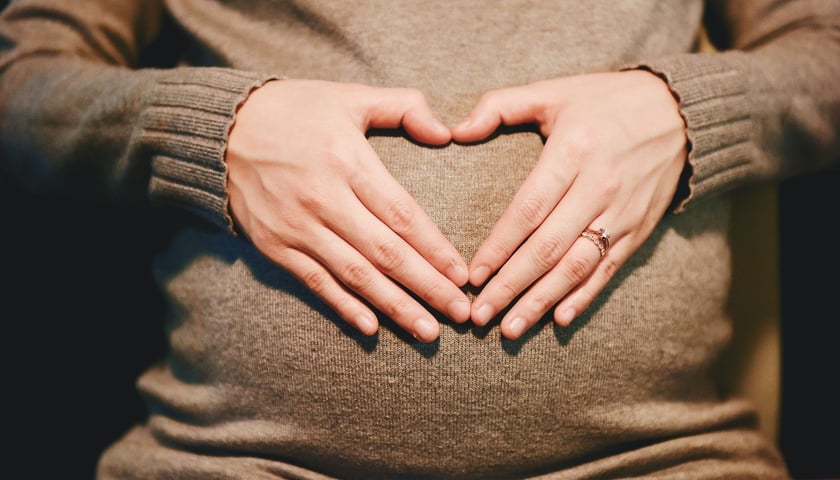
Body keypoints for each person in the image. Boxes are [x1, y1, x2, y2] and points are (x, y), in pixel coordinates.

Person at [1, 0, 837, 478]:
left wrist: (687, 112)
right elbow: (22, 80)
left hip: (659, 462)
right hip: (234, 463)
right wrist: (209, 131)